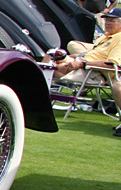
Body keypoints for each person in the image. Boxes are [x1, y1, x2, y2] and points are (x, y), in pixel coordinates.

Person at [52, 7, 121, 135]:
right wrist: (74, 59)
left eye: (112, 20)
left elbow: (113, 64)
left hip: (95, 72)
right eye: (107, 20)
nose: (108, 23)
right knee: (51, 57)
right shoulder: (105, 37)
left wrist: (81, 63)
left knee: (53, 68)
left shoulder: (119, 38)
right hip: (84, 65)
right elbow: (92, 54)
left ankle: (40, 98)